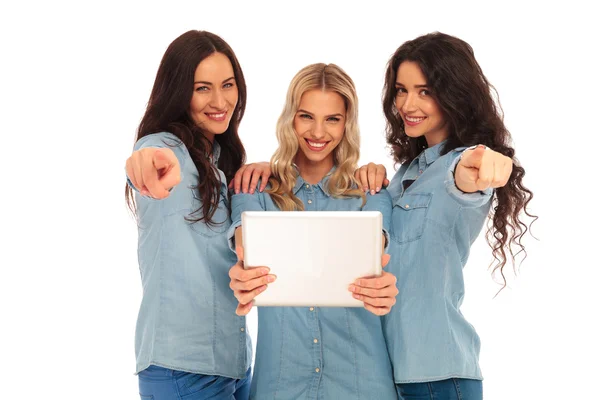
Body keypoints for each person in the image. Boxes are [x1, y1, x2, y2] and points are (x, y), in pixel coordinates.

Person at [354, 32, 536, 399]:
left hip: (439, 377)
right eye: (401, 90)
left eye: (424, 91)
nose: (407, 103)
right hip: (391, 374)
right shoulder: (406, 173)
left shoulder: (457, 164)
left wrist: (488, 164)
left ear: (453, 96)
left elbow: (471, 172)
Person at [227, 63, 399, 399]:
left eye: (332, 119)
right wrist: (241, 277)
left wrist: (385, 290)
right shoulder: (254, 190)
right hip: (281, 384)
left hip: (363, 384)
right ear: (290, 117)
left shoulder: (372, 194)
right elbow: (242, 247)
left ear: (347, 123)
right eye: (307, 116)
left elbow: (382, 258)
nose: (318, 132)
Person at [124, 30, 268, 400]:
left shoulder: (220, 162)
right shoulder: (168, 149)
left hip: (233, 366)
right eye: (202, 87)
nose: (220, 101)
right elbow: (151, 158)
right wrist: (145, 164)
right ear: (177, 92)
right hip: (182, 370)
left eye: (228, 85)